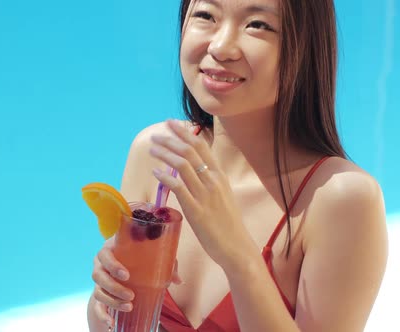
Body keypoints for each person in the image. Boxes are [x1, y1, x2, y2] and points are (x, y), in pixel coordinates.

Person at [87, 0, 388, 331]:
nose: (221, 46)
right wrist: (106, 296)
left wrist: (238, 256)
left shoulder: (340, 198)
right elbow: (111, 324)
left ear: (305, 46)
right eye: (205, 16)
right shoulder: (156, 152)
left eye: (257, 24)